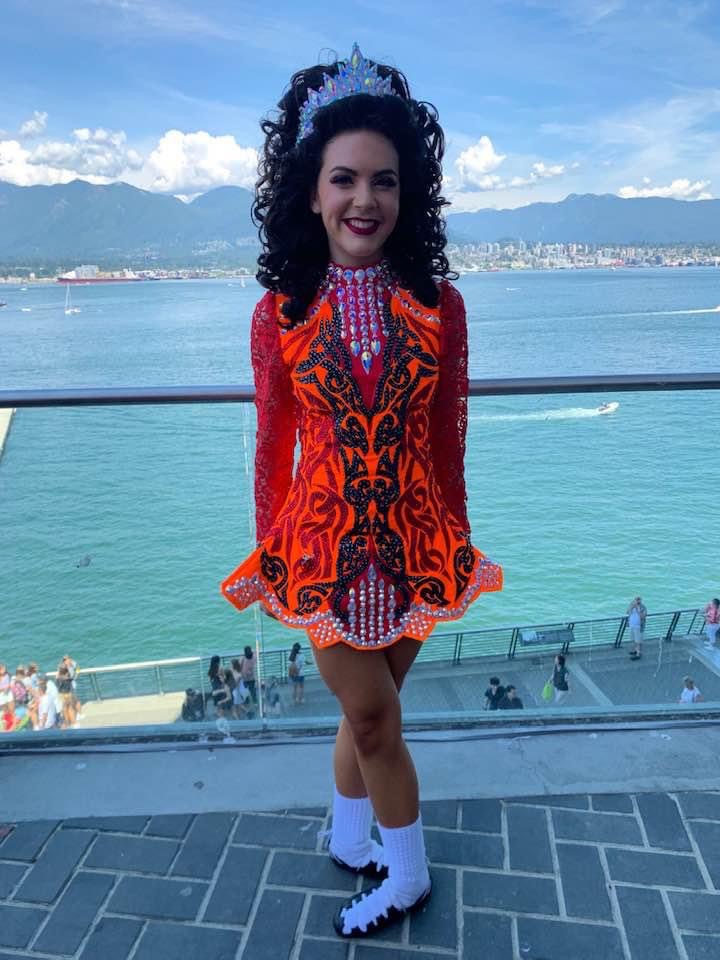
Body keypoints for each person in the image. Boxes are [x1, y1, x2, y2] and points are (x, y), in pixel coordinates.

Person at [220, 44, 502, 938]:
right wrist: (270, 550)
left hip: (419, 547)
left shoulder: (441, 307)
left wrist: (455, 537)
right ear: (311, 192)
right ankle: (409, 876)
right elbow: (274, 444)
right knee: (376, 718)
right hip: (319, 553)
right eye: (343, 179)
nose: (364, 199)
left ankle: (352, 837)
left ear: (407, 192)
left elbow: (447, 439)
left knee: (367, 716)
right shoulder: (280, 316)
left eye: (384, 180)